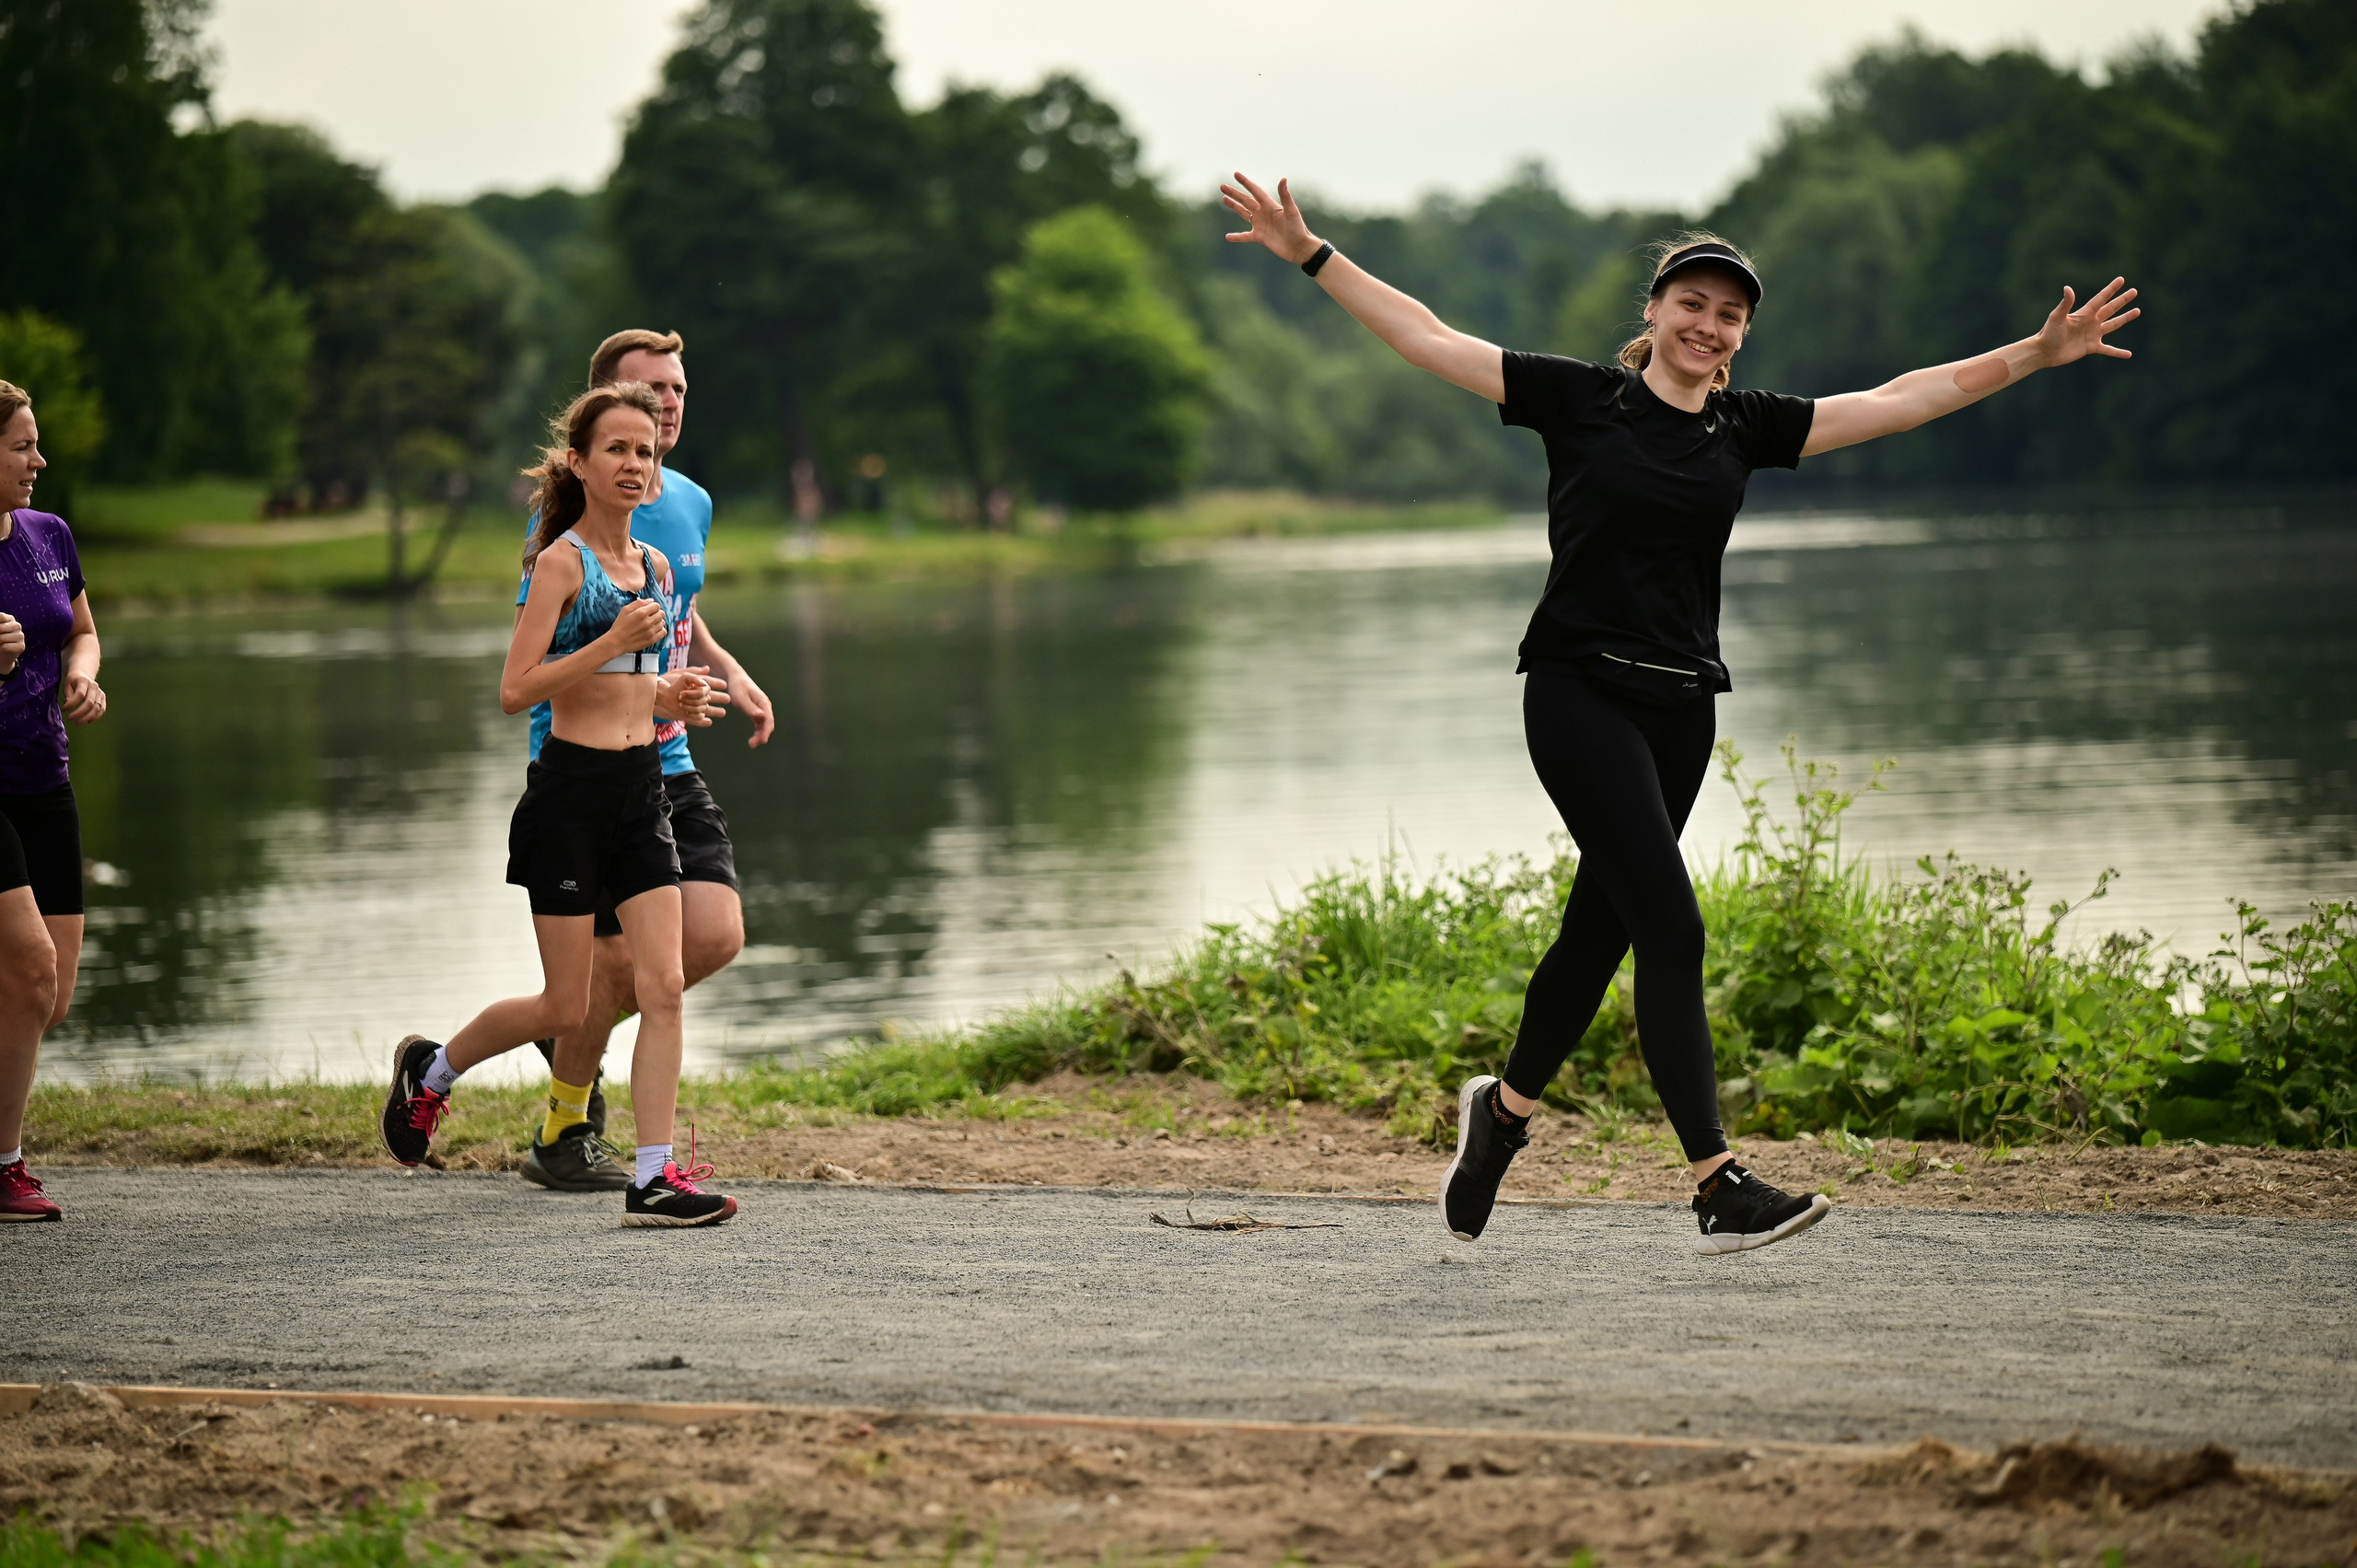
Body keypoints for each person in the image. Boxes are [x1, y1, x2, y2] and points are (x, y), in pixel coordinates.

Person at [1220, 172, 2139, 1256]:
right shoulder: (1578, 400)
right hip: (1575, 691)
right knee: (1673, 923)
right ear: (1652, 312)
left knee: (1596, 929)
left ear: (1740, 335)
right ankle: (1716, 1182)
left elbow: (1906, 395)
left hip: (1680, 710)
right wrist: (1314, 255)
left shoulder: (1745, 429)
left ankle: (1503, 1114)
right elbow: (1427, 337)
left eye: (1729, 313)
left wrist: (2032, 354)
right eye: (1691, 304)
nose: (1707, 325)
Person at [379, 381, 737, 1227]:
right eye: (615, 448)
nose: (632, 463)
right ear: (578, 462)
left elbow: (634, 695)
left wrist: (673, 697)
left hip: (641, 794)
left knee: (664, 986)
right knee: (565, 1007)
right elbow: (517, 690)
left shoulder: (651, 568)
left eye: (645, 452)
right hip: (569, 800)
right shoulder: (560, 563)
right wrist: (613, 642)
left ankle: (654, 1177)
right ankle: (432, 1071)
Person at [513, 330, 774, 1192]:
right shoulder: (571, 518)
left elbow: (677, 610)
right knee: (610, 975)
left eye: (678, 389)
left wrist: (729, 672)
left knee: (714, 934)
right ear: (601, 417)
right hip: (584, 765)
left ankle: (575, 1055)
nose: (669, 405)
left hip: (670, 760)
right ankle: (565, 1115)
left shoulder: (691, 501)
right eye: (651, 390)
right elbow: (549, 651)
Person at [0, 381, 106, 1223]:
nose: (38, 461)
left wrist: (82, 670)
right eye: (21, 447)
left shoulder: (49, 535)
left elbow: (81, 625)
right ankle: (6, 1163)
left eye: (35, 444)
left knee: (52, 994)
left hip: (45, 777)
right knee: (28, 970)